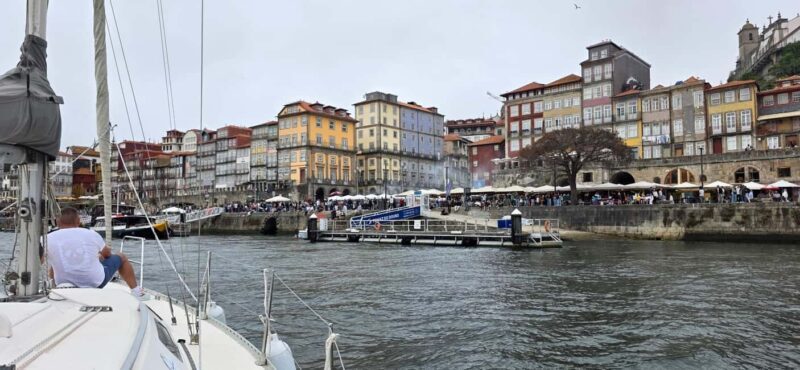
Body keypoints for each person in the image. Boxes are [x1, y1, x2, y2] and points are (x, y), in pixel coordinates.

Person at [47, 207, 141, 295]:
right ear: (78, 221)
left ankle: (53, 291)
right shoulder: (91, 234)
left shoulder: (47, 238)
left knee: (54, 262)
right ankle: (136, 292)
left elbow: (39, 259)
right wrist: (98, 257)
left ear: (57, 222)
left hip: (62, 285)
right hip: (95, 283)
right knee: (121, 257)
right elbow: (107, 254)